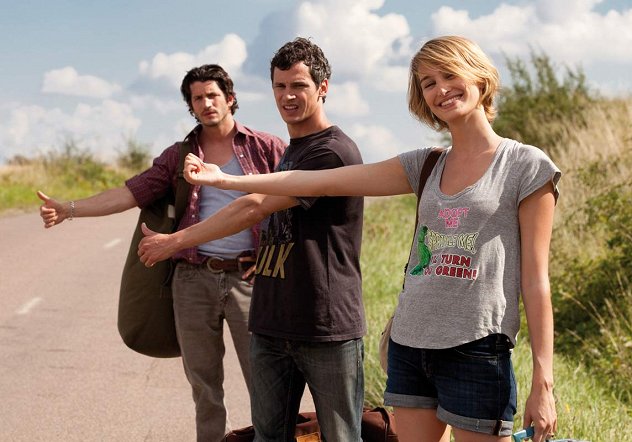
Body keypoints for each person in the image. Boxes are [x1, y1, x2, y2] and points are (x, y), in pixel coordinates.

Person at [176, 36, 560, 442]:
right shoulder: (424, 163)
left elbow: (536, 282)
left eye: (450, 75)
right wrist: (226, 179)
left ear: (480, 79)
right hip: (411, 346)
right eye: (427, 82)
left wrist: (544, 381)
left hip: (477, 349)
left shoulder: (525, 165)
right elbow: (318, 181)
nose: (440, 89)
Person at [37, 64, 286, 441]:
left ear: (230, 99)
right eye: (197, 98)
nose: (206, 103)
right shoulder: (179, 155)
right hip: (192, 279)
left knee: (265, 383)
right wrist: (70, 209)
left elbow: (291, 203)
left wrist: (270, 261)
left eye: (212, 95)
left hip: (249, 280)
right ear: (191, 106)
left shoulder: (266, 147)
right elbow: (129, 193)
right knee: (204, 387)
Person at [138, 38, 366, 441]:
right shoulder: (291, 151)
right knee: (268, 436)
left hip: (324, 327)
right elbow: (284, 225)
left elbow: (253, 206)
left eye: (299, 86)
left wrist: (174, 242)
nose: (288, 96)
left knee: (340, 436)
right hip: (271, 322)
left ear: (323, 87)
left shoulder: (331, 152)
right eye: (280, 87)